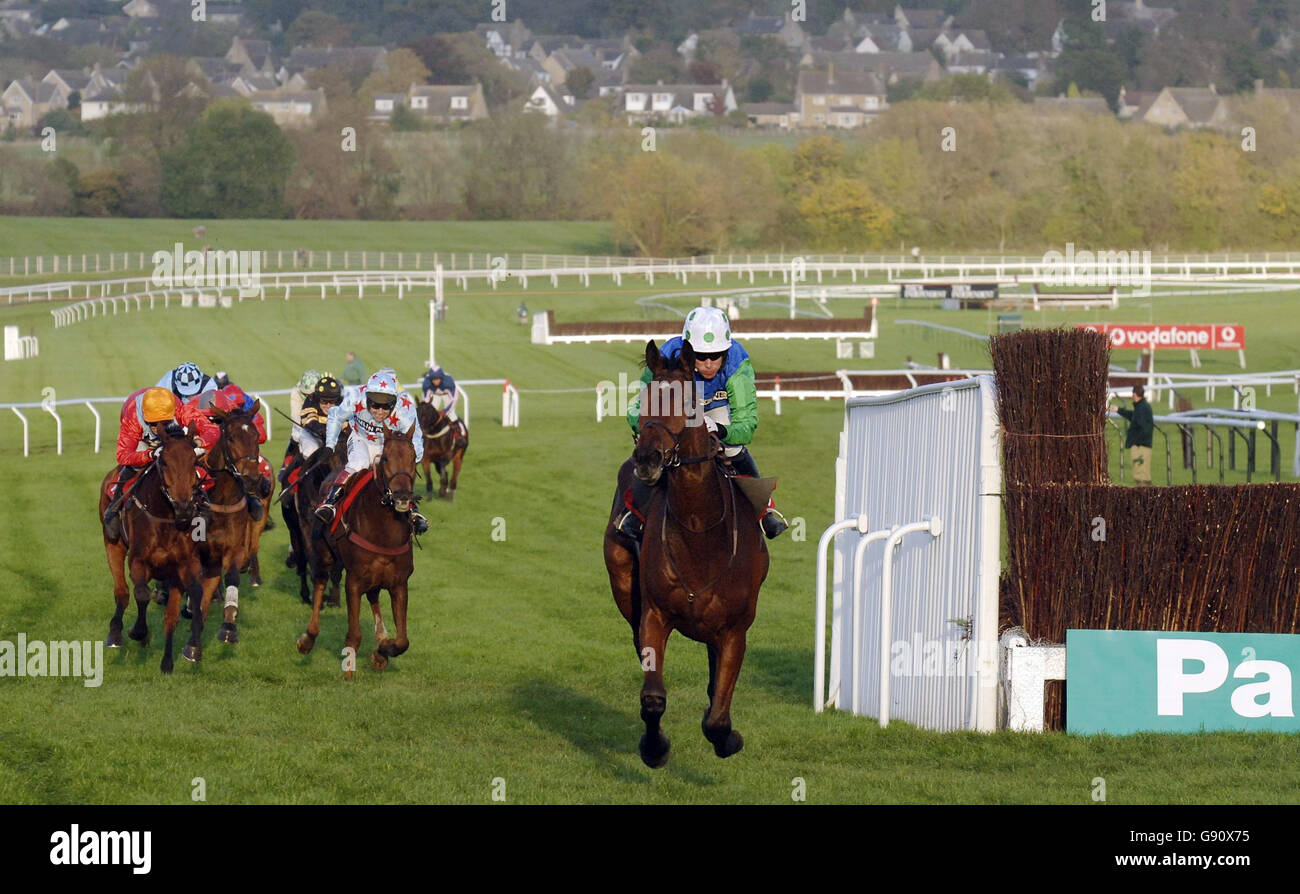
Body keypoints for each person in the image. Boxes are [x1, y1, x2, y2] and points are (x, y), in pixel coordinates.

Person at [616, 305, 788, 540]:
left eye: (715, 355)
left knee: (733, 447)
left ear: (726, 352)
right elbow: (637, 408)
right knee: (655, 447)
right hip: (678, 406)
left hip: (716, 409)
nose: (708, 363)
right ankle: (634, 513)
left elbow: (746, 425)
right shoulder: (666, 356)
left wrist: (720, 429)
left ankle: (765, 511)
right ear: (688, 351)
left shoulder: (738, 363)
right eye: (700, 356)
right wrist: (649, 428)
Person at [313, 370, 428, 534]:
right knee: (359, 463)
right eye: (375, 405)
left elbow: (416, 439)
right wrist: (329, 446)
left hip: (389, 444)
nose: (380, 411)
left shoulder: (405, 409)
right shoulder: (355, 397)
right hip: (361, 438)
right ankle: (329, 503)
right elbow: (335, 416)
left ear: (394, 402)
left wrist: (408, 460)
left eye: (386, 406)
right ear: (367, 398)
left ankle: (412, 510)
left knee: (398, 469)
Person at [103, 385, 221, 540]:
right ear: (146, 418)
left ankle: (202, 504)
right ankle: (114, 507)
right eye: (153, 423)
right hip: (144, 441)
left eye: (164, 423)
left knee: (185, 462)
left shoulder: (177, 407)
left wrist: (199, 442)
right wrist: (149, 454)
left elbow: (212, 430)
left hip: (172, 437)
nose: (158, 428)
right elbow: (123, 455)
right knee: (134, 467)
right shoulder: (132, 418)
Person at [281, 375, 343, 487]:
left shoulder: (343, 403)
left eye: (332, 402)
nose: (328, 406)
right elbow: (310, 422)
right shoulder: (310, 400)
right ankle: (299, 483)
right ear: (318, 398)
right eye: (324, 402)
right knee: (311, 452)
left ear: (337, 400)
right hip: (312, 435)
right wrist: (325, 433)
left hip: (333, 437)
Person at [1110, 384, 1155, 486]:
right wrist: (1118, 410)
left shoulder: (1143, 408)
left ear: (1134, 394)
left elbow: (1143, 427)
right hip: (1141, 443)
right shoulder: (1141, 406)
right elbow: (1133, 416)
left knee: (1141, 475)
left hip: (1141, 445)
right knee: (1140, 473)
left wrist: (1136, 442)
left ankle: (1144, 493)